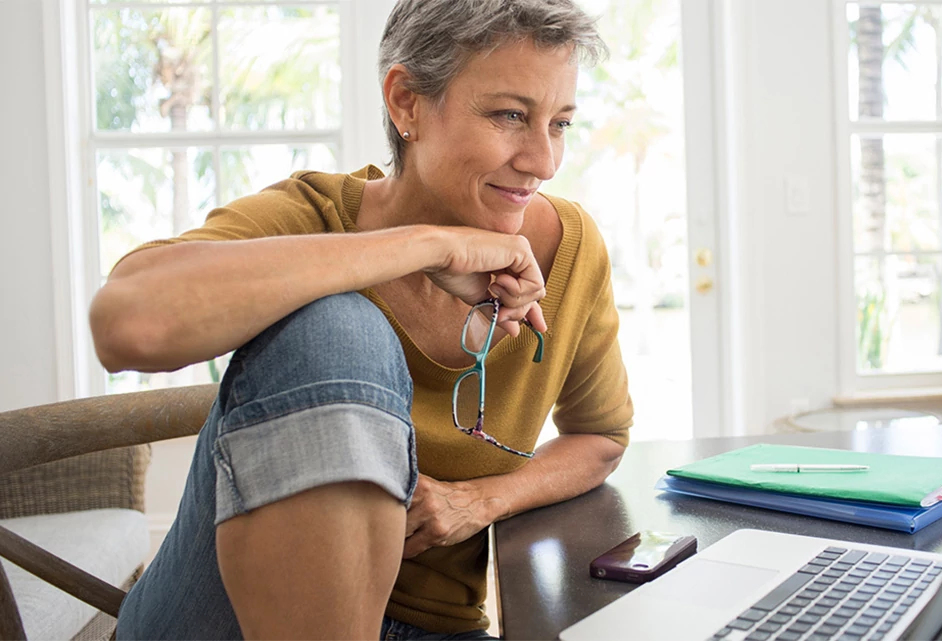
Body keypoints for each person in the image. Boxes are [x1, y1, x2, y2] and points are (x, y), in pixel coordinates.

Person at [89, 0, 634, 638]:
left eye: (560, 123)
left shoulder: (568, 248)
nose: (542, 160)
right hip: (225, 620)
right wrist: (429, 245)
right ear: (406, 102)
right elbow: (125, 322)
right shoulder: (310, 216)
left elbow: (600, 438)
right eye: (509, 115)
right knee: (335, 324)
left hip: (432, 626)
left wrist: (480, 501)